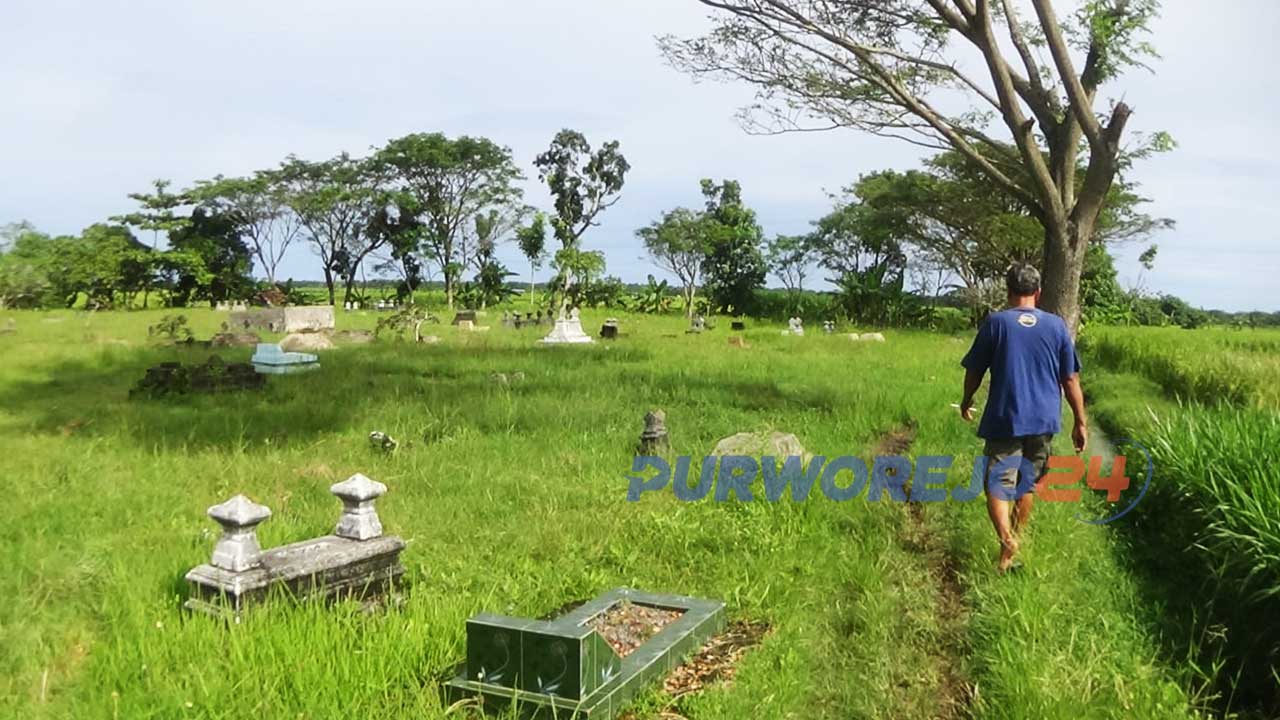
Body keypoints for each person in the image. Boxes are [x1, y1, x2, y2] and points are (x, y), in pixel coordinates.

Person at [960, 264, 1087, 573]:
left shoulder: (996, 323)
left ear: (1008, 291)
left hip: (1006, 415)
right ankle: (1014, 543)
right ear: (1038, 292)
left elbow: (975, 370)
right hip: (1044, 418)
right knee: (1026, 486)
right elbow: (1070, 380)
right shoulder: (1056, 326)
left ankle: (1006, 540)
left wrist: (967, 399)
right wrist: (1080, 421)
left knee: (996, 484)